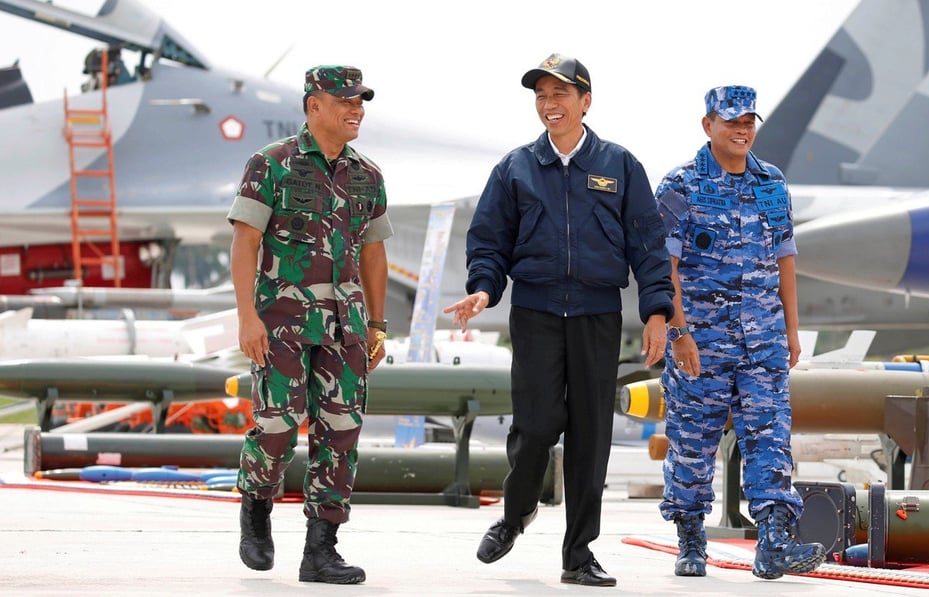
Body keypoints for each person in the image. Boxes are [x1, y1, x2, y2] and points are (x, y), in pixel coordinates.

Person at [443, 53, 674, 587]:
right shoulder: (515, 168)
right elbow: (489, 241)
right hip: (537, 311)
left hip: (597, 314)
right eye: (542, 96)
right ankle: (516, 512)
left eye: (560, 95)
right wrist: (483, 290)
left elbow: (649, 244)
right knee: (538, 423)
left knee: (591, 437)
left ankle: (579, 555)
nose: (550, 105)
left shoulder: (620, 165)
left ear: (585, 102)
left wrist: (658, 312)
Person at [226, 65, 391, 585]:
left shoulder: (368, 174)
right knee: (277, 425)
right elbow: (244, 243)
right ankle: (255, 503)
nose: (355, 109)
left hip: (346, 327)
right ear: (313, 105)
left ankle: (321, 549)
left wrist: (378, 326)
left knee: (341, 431)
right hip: (280, 323)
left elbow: (374, 254)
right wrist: (247, 317)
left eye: (360, 101)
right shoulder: (269, 165)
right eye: (344, 101)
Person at [655, 85, 826, 580]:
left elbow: (785, 258)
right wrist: (679, 331)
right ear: (708, 125)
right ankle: (690, 537)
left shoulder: (772, 183)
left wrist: (791, 330)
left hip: (763, 339)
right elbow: (664, 269)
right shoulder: (680, 185)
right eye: (731, 121)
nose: (742, 130)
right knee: (692, 443)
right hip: (700, 341)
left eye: (749, 121)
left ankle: (774, 542)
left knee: (771, 437)